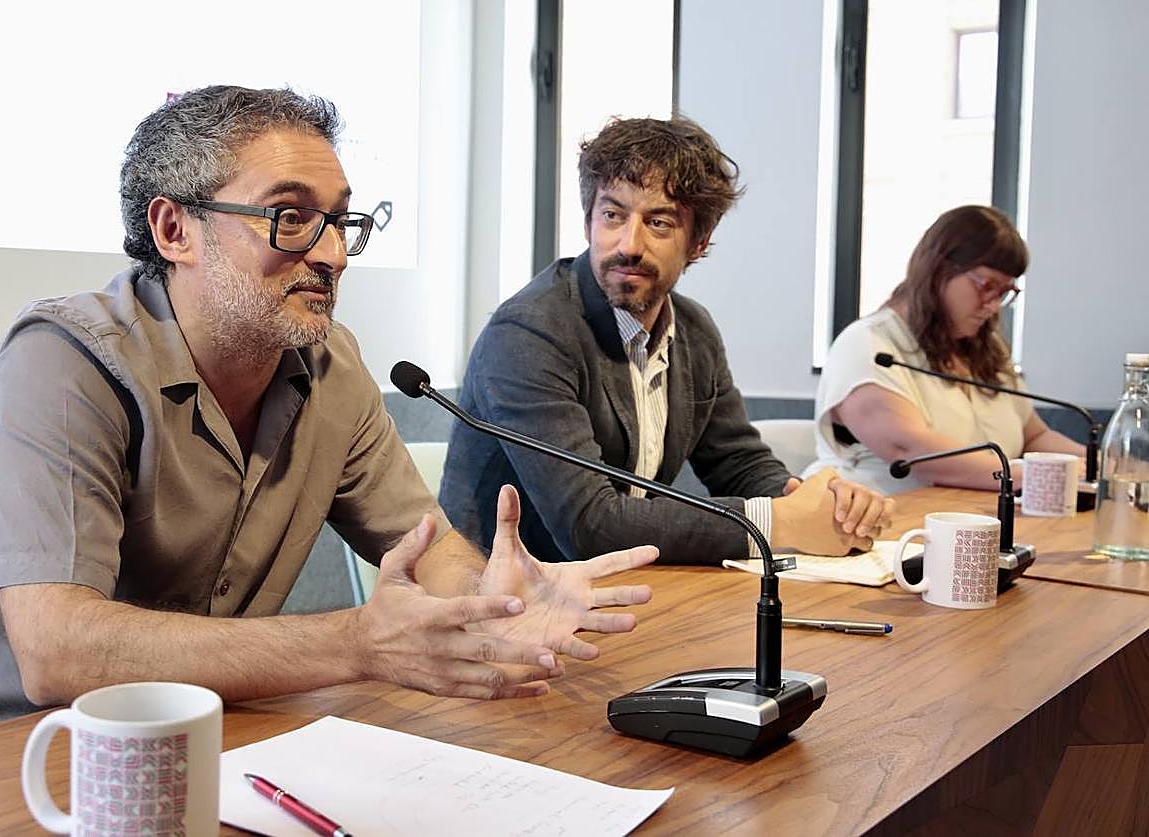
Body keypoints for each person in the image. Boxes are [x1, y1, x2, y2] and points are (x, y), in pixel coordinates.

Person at [0, 86, 657, 730]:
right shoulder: (64, 362)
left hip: (214, 733)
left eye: (341, 220)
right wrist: (357, 643)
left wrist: (488, 599)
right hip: (15, 754)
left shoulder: (332, 364)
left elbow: (426, 543)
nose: (334, 254)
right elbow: (57, 652)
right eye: (290, 217)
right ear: (174, 230)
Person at [439, 116, 893, 566]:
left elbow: (738, 463)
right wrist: (783, 522)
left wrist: (819, 503)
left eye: (658, 223)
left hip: (621, 592)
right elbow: (588, 524)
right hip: (498, 604)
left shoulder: (693, 331)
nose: (629, 244)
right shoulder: (530, 334)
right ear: (588, 222)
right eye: (613, 215)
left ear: (699, 243)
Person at [804, 204, 1086, 494]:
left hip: (975, 521)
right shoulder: (868, 345)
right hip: (885, 525)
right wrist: (1027, 475)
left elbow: (1034, 437)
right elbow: (912, 449)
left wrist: (1093, 464)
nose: (992, 304)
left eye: (1005, 293)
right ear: (938, 269)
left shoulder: (985, 347)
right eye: (987, 285)